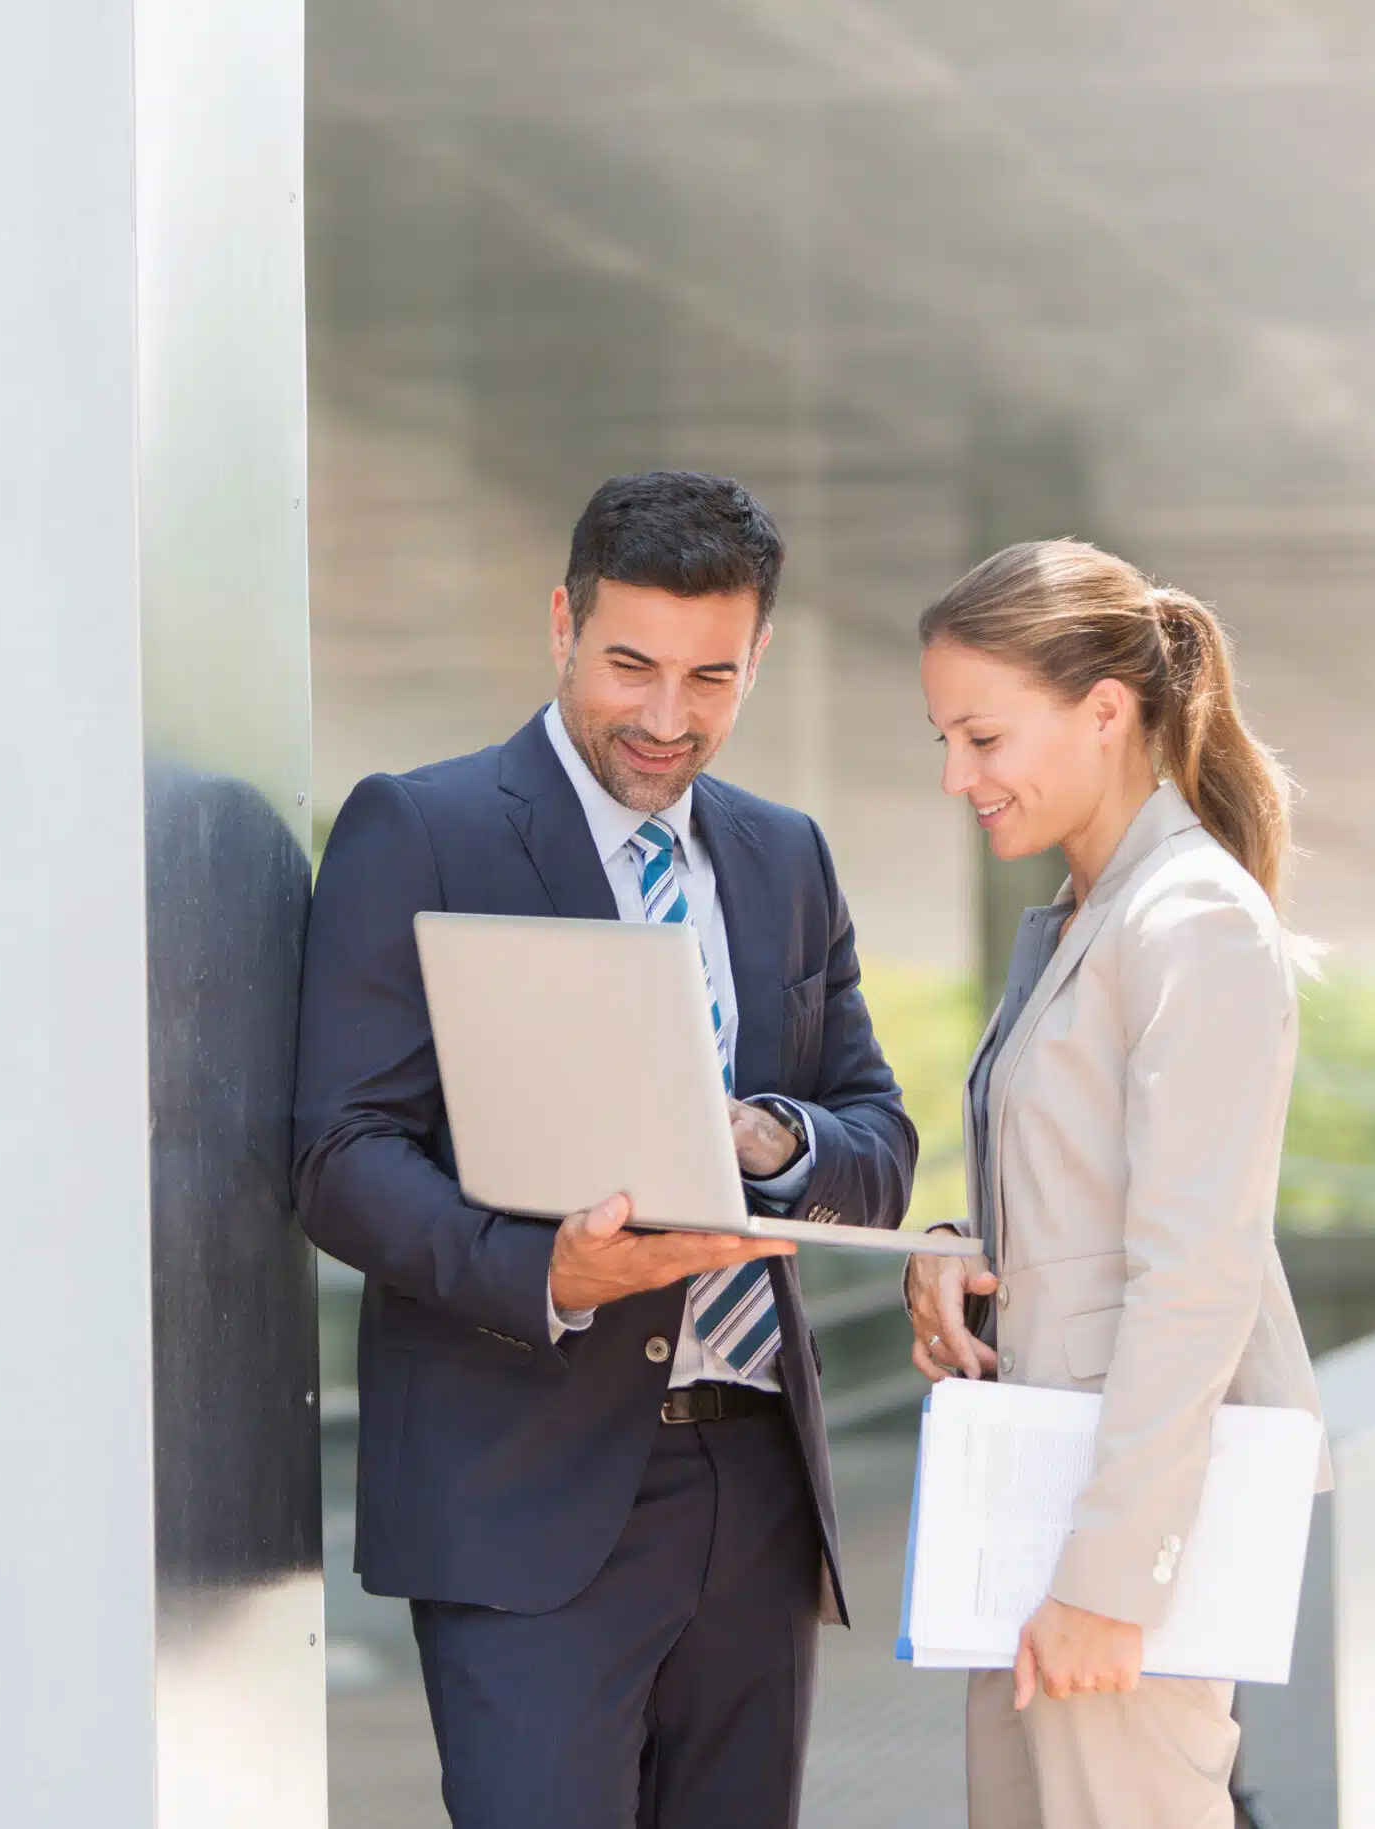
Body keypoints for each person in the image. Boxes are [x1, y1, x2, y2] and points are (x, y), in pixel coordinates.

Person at [292, 471, 918, 1829]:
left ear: (760, 659)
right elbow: (338, 1152)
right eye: (630, 663)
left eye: (710, 676)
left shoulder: (784, 858)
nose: (665, 715)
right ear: (561, 623)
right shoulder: (425, 828)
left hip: (752, 1486)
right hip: (525, 1491)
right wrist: (553, 1273)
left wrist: (767, 1132)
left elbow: (880, 1140)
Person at [902, 540, 1326, 1829]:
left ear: (1104, 709)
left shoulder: (1189, 917)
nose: (955, 776)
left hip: (1118, 1543)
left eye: (982, 735)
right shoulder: (1088, 919)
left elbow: (1197, 1273)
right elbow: (1085, 1195)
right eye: (943, 739)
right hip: (1039, 1505)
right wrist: (957, 1246)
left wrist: (1111, 1574)